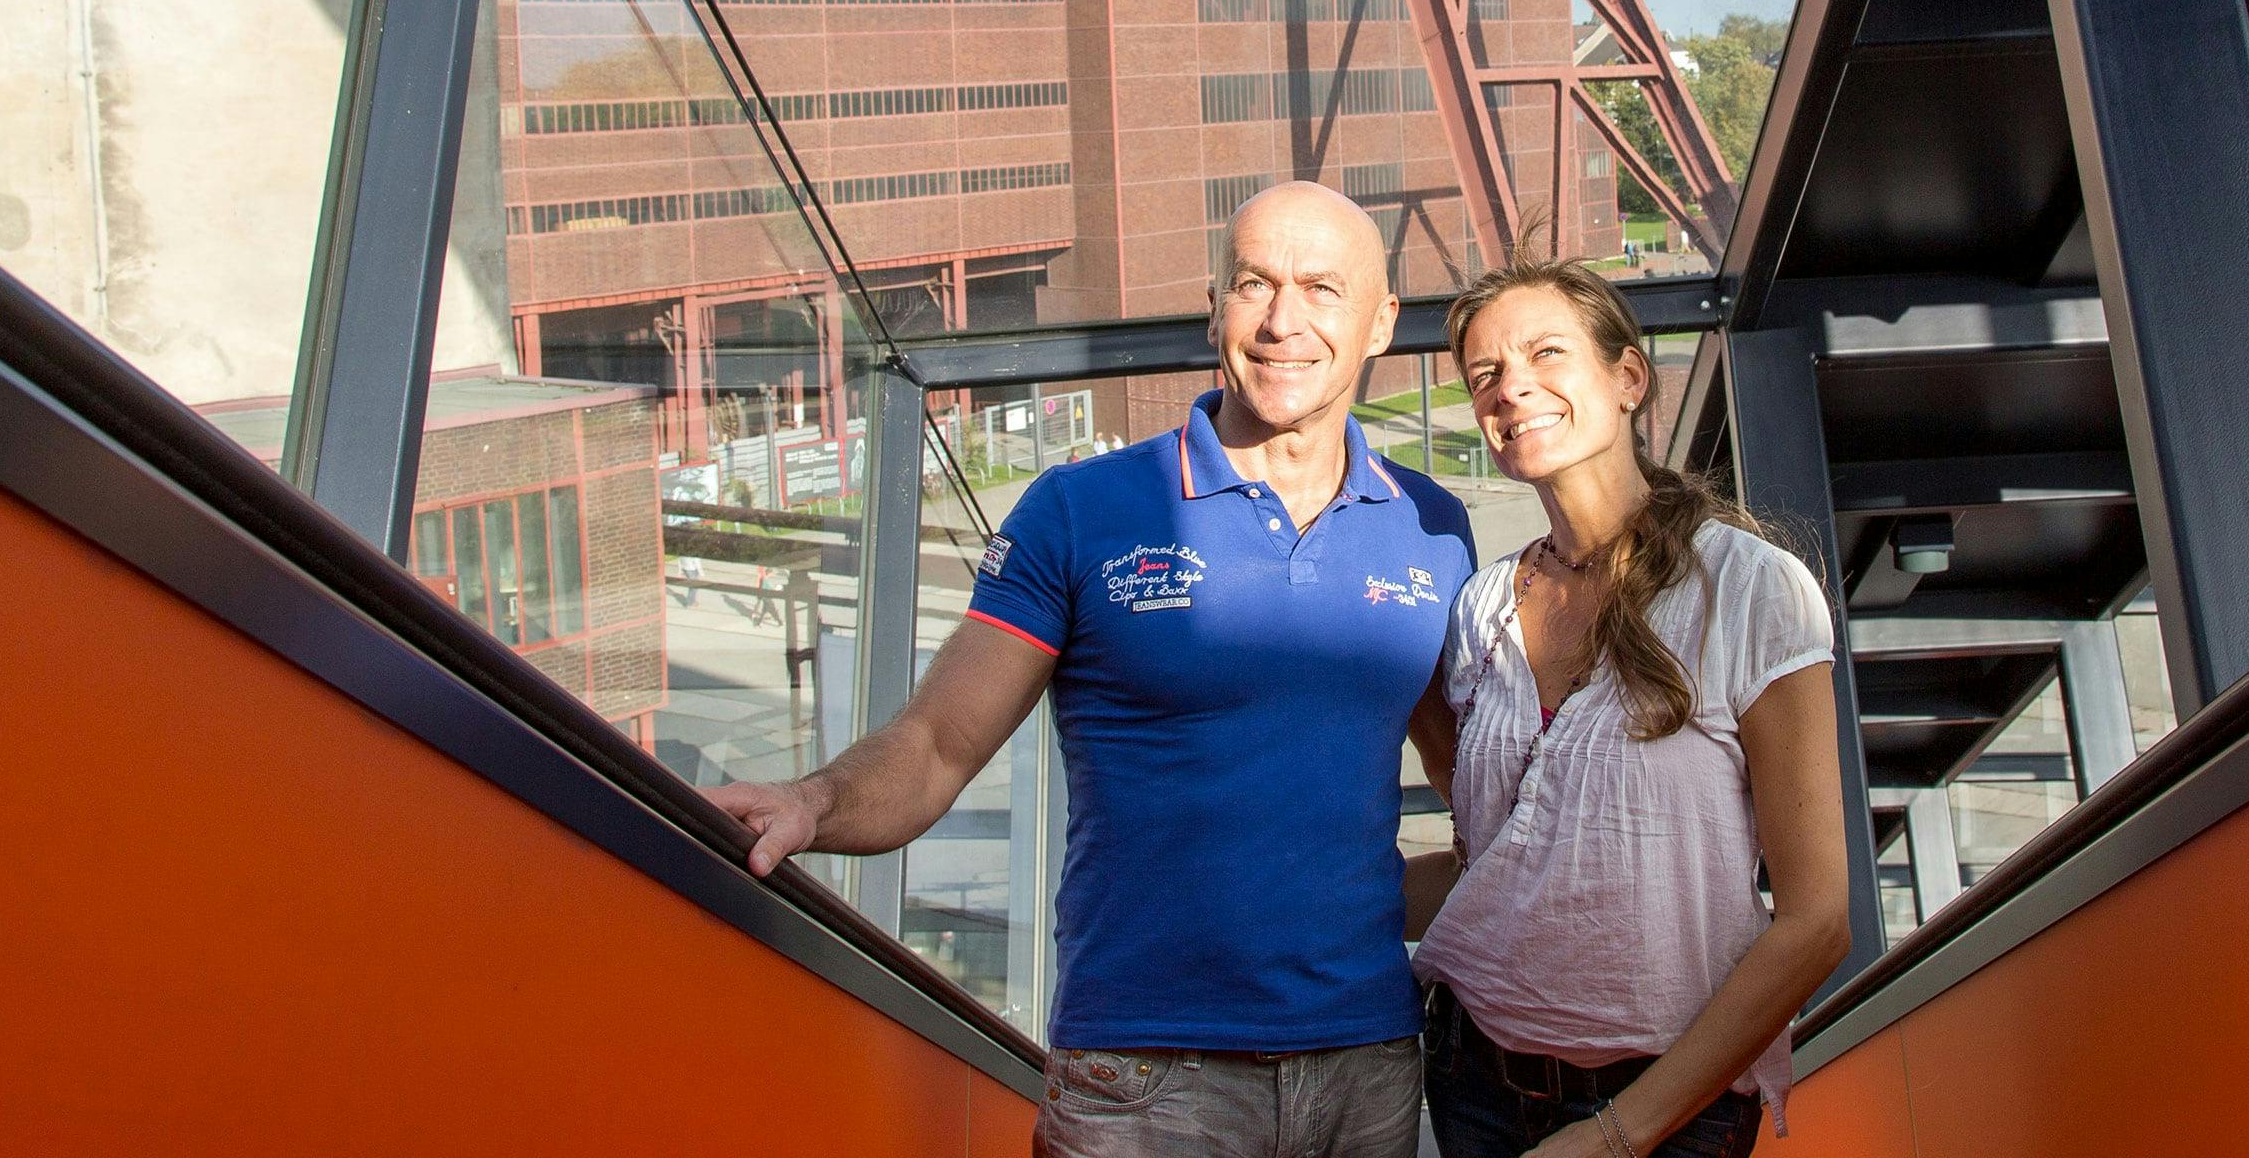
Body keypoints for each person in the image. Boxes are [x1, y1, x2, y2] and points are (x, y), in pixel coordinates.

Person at [711, 182, 1473, 1158]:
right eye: (1255, 284)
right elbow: (938, 743)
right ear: (1214, 306)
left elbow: (1478, 795)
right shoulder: (1082, 511)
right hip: (1145, 1075)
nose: (1285, 320)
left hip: (1368, 1065)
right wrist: (813, 800)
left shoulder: (1432, 528)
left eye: (1322, 289)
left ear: (1379, 323)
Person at [1409, 260, 1854, 1158]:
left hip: (1662, 1115)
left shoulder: (1751, 590)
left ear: (1628, 378)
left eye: (1545, 354)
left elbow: (1818, 919)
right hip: (1469, 1080)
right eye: (1485, 375)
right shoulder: (1482, 608)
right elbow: (1493, 863)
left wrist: (1621, 1134)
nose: (1512, 389)